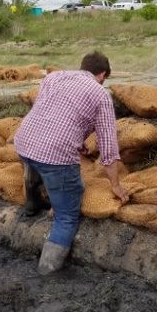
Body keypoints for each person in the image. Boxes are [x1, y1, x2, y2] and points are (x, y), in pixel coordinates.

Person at [13, 51, 129, 274]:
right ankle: (47, 270)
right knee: (66, 215)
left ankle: (32, 198)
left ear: (83, 67)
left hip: (24, 142)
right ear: (103, 74)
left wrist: (76, 141)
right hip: (55, 157)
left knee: (37, 162)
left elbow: (52, 114)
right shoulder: (100, 94)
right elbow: (108, 147)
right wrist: (115, 185)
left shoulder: (55, 77)